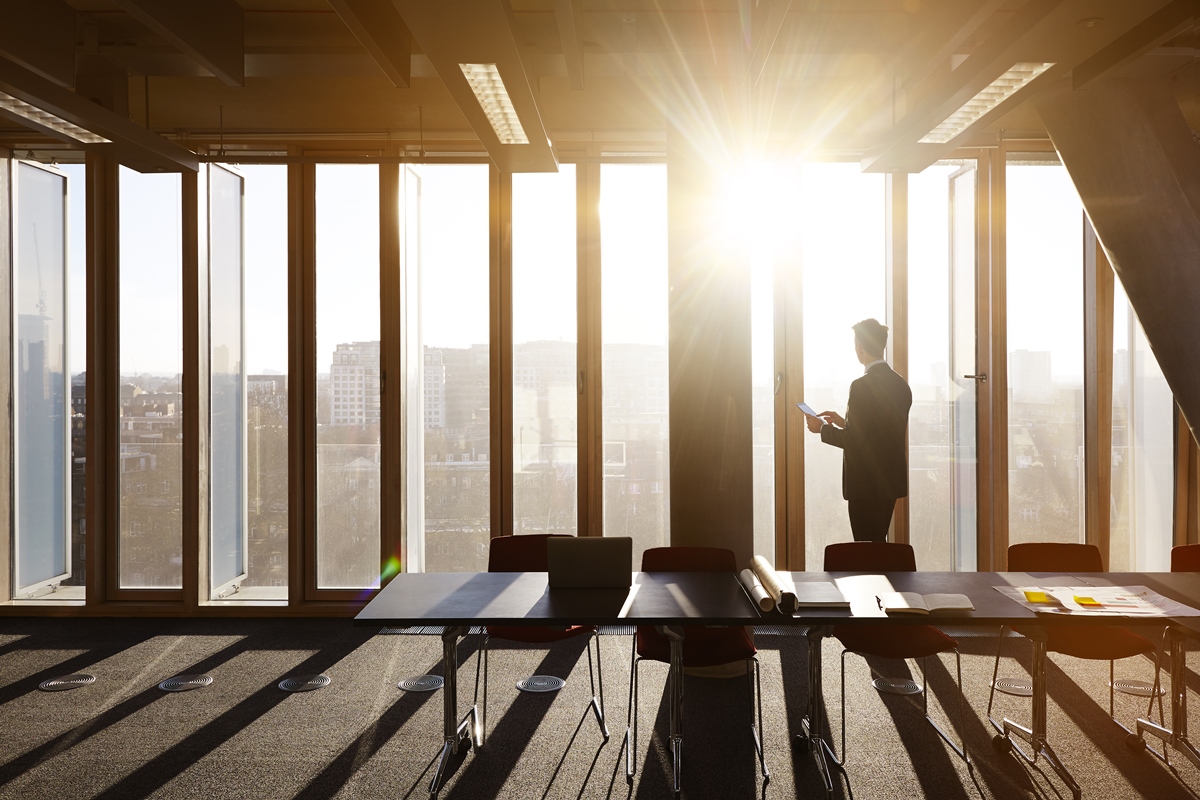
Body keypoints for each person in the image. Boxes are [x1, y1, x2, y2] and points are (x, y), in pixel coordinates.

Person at [805, 318, 912, 542]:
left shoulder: (861, 386)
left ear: (859, 348)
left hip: (865, 485)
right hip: (888, 483)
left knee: (866, 549)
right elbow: (881, 432)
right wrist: (846, 422)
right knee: (877, 544)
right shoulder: (901, 385)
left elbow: (855, 441)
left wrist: (821, 429)